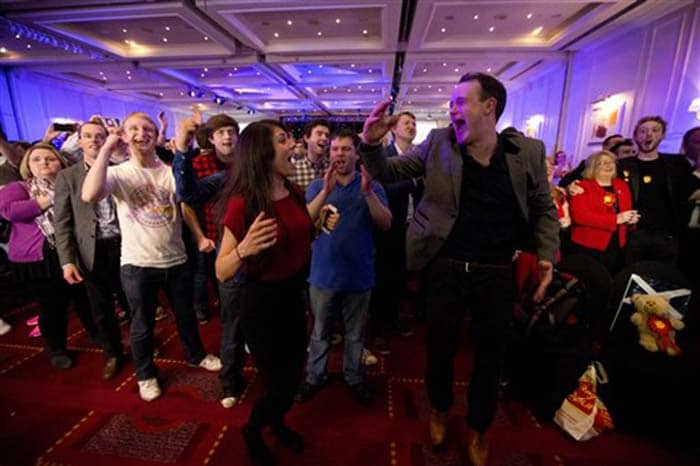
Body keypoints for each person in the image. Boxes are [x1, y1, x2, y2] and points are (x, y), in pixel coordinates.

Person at [359, 72, 559, 466]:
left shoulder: (527, 153)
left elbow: (543, 207)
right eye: (450, 102)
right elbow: (388, 173)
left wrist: (548, 256)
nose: (452, 109)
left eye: (460, 101)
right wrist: (369, 142)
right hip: (445, 268)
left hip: (497, 271)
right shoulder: (439, 144)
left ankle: (480, 427)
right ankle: (438, 409)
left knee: (490, 357)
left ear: (489, 107)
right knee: (440, 350)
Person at [214, 119, 338, 466]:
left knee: (293, 374)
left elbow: (298, 223)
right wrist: (242, 251)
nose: (293, 145)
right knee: (278, 385)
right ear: (262, 153)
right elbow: (221, 270)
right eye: (283, 140)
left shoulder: (292, 191)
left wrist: (323, 201)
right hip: (263, 305)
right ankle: (253, 431)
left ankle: (278, 423)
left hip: (293, 296)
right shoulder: (243, 204)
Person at [81, 112, 222, 402]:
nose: (141, 133)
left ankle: (196, 355)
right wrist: (107, 147)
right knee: (142, 324)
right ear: (124, 134)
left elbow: (187, 203)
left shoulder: (169, 171)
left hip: (176, 259)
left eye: (148, 129)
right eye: (133, 128)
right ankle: (145, 373)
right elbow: (89, 194)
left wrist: (197, 237)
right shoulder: (119, 173)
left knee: (186, 316)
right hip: (137, 264)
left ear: (155, 134)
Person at [297, 129, 391, 406]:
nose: (340, 154)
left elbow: (386, 224)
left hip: (360, 274)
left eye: (346, 149)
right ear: (330, 153)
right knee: (320, 333)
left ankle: (354, 377)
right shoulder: (318, 186)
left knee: (354, 334)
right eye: (335, 149)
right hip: (323, 274)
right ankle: (315, 377)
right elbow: (304, 222)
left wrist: (368, 194)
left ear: (356, 153)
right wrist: (325, 191)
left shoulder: (371, 186)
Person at [0, 143, 97, 369]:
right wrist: (49, 199)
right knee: (51, 307)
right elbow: (9, 211)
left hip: (73, 252)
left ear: (61, 164)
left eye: (49, 158)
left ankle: (97, 335)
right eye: (37, 159)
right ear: (27, 165)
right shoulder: (19, 187)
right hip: (36, 259)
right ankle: (56, 349)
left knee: (85, 299)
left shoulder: (73, 185)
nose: (44, 162)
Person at [53, 120, 127, 380]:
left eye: (99, 136)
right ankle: (113, 353)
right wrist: (67, 261)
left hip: (127, 243)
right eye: (88, 136)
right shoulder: (67, 176)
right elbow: (61, 222)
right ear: (79, 141)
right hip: (91, 249)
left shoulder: (122, 169)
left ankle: (143, 345)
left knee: (135, 300)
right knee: (101, 307)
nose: (94, 140)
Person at [619, 116, 692, 265]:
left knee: (662, 278)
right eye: (643, 131)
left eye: (655, 130)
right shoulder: (623, 164)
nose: (649, 134)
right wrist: (573, 185)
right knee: (631, 274)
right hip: (634, 232)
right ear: (635, 136)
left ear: (663, 135)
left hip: (667, 233)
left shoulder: (677, 164)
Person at [569, 151, 637, 273]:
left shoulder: (622, 185)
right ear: (592, 168)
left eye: (611, 162)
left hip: (617, 244)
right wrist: (616, 219)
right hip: (589, 245)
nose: (608, 165)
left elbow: (625, 211)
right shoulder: (582, 186)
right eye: (602, 163)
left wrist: (631, 220)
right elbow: (579, 216)